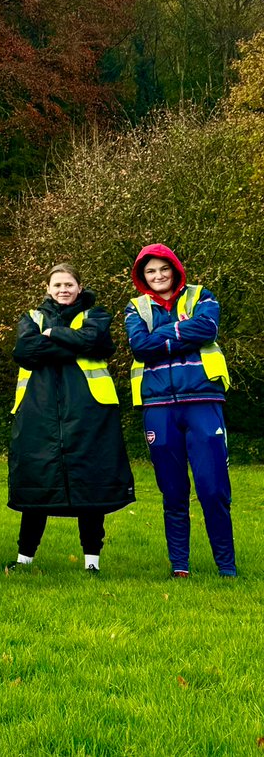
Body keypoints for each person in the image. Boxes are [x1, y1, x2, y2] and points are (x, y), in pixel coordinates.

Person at [7, 263, 134, 575]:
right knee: (37, 486)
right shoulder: (32, 317)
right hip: (39, 414)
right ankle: (24, 560)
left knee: (90, 488)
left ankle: (92, 562)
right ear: (47, 289)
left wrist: (54, 334)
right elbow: (25, 351)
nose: (63, 290)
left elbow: (95, 340)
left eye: (69, 284)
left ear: (79, 287)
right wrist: (76, 343)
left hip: (89, 415)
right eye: (57, 285)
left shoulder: (96, 314)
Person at [125, 244, 235, 578]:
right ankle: (179, 566)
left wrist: (162, 335)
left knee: (213, 489)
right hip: (158, 406)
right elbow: (140, 346)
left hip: (202, 401)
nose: (158, 276)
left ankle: (226, 567)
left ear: (175, 269)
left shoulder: (202, 296)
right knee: (173, 491)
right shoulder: (136, 307)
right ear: (142, 276)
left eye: (164, 269)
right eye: (150, 271)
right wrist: (182, 333)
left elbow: (207, 330)